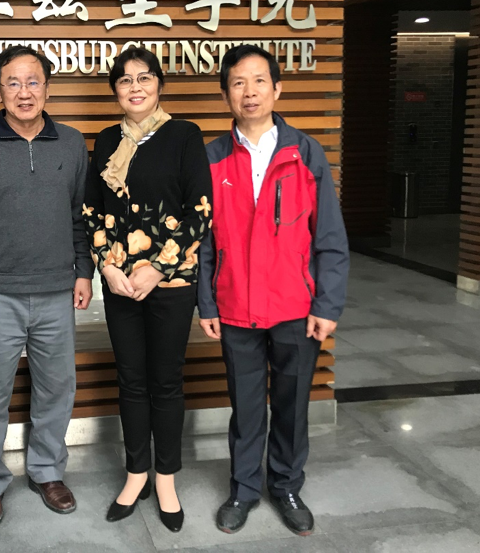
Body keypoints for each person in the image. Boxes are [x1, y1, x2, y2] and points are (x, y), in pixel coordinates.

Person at [197, 44, 349, 537]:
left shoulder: (306, 153)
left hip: (295, 307)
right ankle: (243, 489)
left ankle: (285, 486)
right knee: (245, 408)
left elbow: (329, 236)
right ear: (226, 95)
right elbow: (203, 242)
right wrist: (207, 302)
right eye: (238, 83)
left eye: (259, 80)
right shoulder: (211, 158)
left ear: (277, 89)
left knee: (291, 405)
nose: (249, 92)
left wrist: (327, 303)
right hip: (235, 306)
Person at [0, 46, 94, 529]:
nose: (24, 92)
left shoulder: (72, 142)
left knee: (57, 388)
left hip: (57, 289)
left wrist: (84, 270)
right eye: (13, 83)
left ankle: (47, 471)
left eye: (33, 81)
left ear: (47, 88)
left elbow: (82, 214)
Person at [84, 47, 212, 533]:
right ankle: (136, 472)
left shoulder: (184, 135)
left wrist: (157, 269)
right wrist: (107, 266)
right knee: (131, 380)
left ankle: (165, 478)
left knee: (166, 381)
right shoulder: (105, 140)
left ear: (159, 83)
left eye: (144, 78)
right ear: (115, 90)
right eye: (124, 80)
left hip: (171, 282)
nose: (134, 87)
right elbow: (93, 211)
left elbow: (200, 209)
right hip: (119, 284)